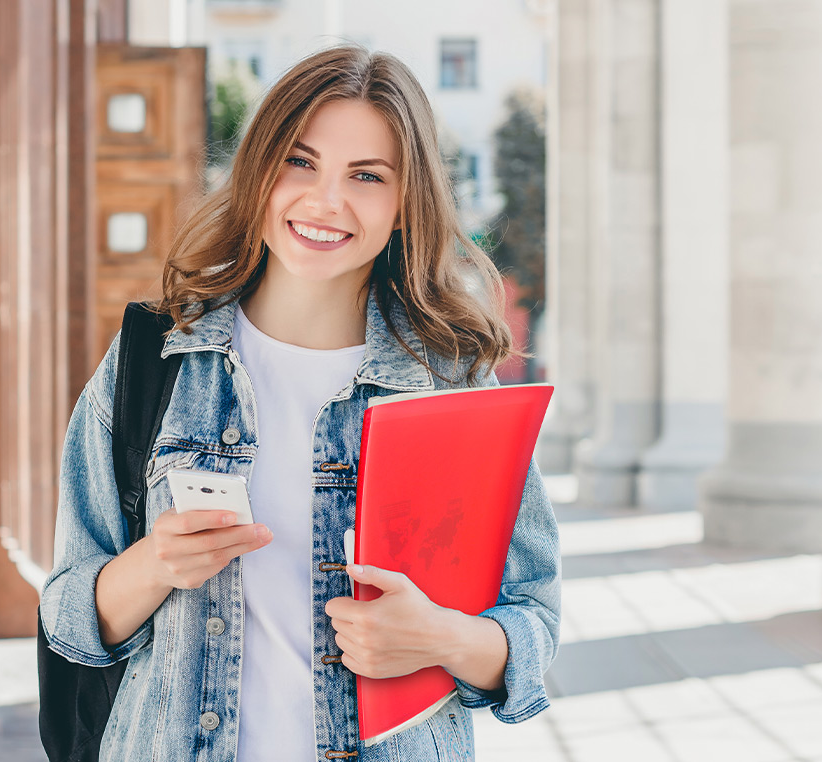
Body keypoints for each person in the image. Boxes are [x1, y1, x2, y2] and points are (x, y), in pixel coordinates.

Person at [40, 45, 560, 762]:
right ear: (259, 171)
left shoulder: (453, 384)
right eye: (300, 161)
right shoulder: (154, 359)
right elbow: (67, 612)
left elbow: (533, 622)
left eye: (367, 175)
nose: (326, 200)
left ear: (406, 203)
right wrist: (154, 564)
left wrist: (442, 638)